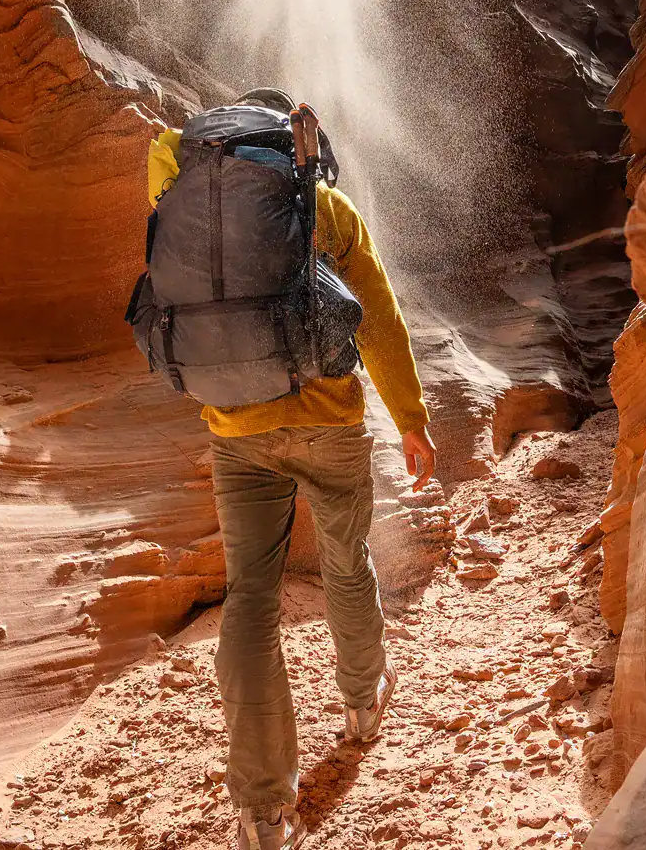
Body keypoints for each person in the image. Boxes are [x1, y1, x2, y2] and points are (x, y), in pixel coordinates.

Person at [146, 88, 438, 850]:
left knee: (250, 598)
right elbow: (376, 312)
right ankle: (362, 704)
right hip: (331, 422)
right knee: (345, 562)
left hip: (236, 429)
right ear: (292, 147)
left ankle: (263, 810)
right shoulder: (324, 209)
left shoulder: (181, 199)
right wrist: (410, 418)